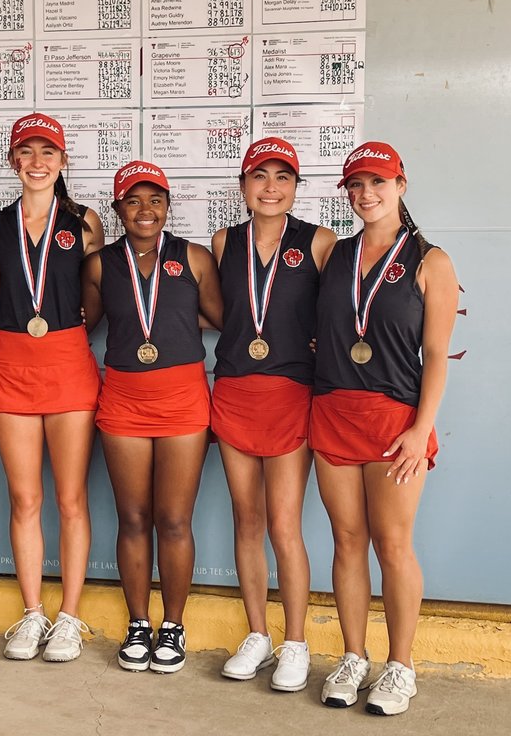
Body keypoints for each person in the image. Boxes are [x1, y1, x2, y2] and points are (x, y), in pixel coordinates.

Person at [310, 142, 458, 715]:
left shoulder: (430, 260)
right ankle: (354, 656)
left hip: (396, 420)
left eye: (378, 182)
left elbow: (438, 357)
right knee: (347, 542)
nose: (366, 194)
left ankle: (401, 665)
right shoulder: (335, 255)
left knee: (392, 545)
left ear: (400, 184)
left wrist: (422, 431)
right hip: (333, 413)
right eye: (355, 185)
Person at [81, 160, 223, 674]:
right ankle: (139, 622)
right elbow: (83, 322)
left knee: (173, 519)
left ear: (168, 206)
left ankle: (174, 625)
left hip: (184, 398)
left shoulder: (196, 258)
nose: (146, 210)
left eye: (155, 199)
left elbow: (223, 317)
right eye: (134, 200)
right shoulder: (99, 264)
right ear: (119, 207)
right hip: (122, 398)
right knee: (134, 517)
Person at [211, 138, 336, 691]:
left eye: (282, 177)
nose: (270, 187)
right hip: (236, 388)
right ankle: (258, 634)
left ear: (295, 187)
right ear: (242, 186)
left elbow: (341, 310)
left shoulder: (320, 242)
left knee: (285, 524)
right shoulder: (222, 242)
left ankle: (295, 642)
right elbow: (223, 312)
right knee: (247, 519)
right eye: (259, 176)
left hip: (290, 392)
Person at [0, 113, 104, 663]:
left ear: (62, 161)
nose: (37, 162)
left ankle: (70, 617)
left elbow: (97, 294)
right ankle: (32, 614)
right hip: (11, 361)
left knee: (71, 497)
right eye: (26, 152)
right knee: (25, 498)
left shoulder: (86, 221)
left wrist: (75, 325)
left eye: (47, 152)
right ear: (13, 161)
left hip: (67, 360)